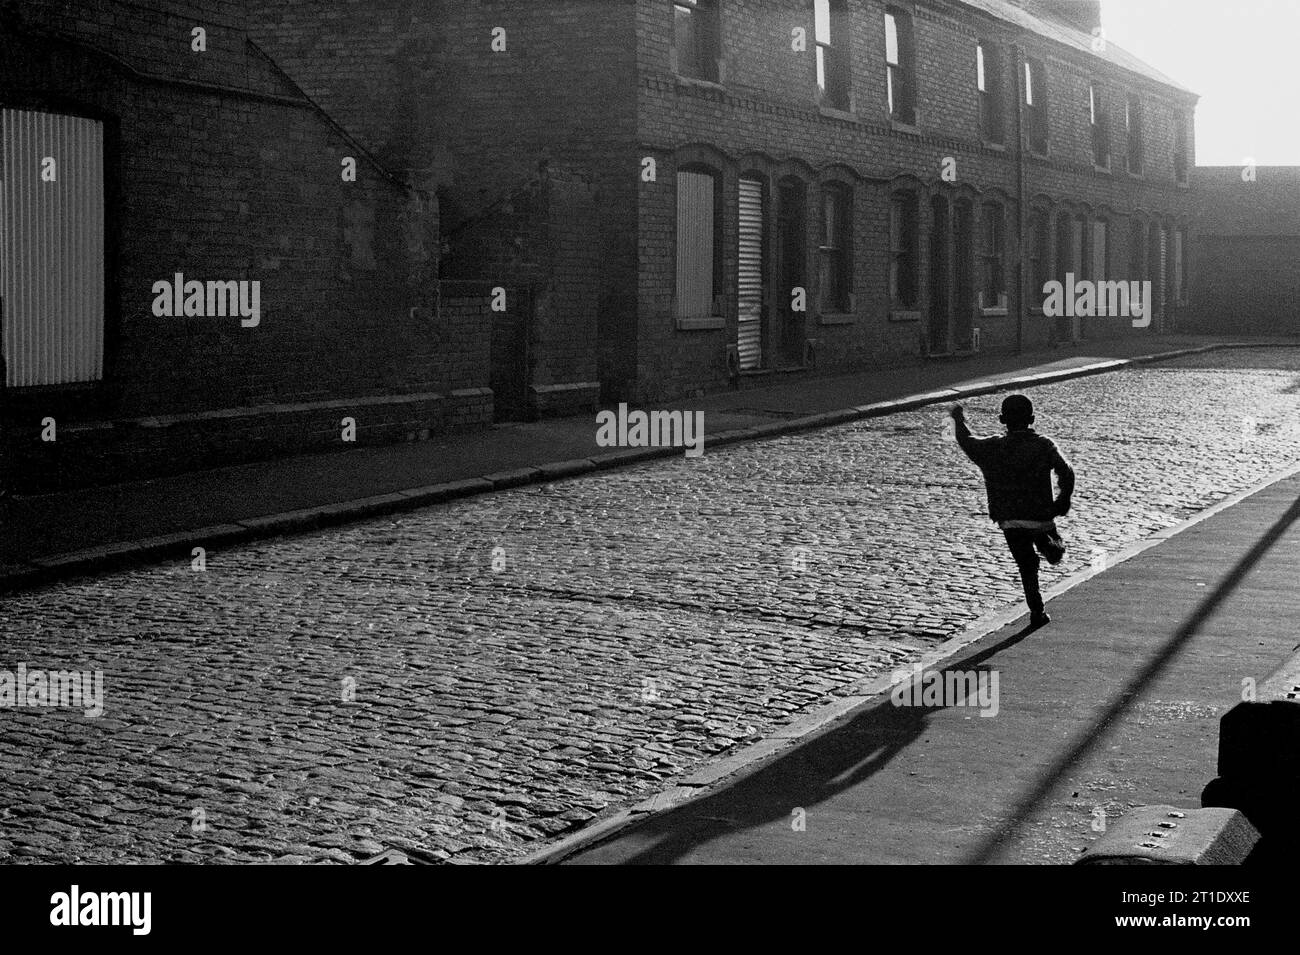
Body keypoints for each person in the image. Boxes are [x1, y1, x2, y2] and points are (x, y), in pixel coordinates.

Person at [950, 394, 1075, 627]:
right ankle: (1052, 547)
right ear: (1032, 419)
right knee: (1053, 549)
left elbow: (967, 441)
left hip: (1009, 519)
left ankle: (1037, 611)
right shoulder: (1043, 445)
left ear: (1001, 420)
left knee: (1027, 566)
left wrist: (959, 420)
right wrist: (1062, 501)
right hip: (1040, 517)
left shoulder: (992, 447)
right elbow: (1066, 472)